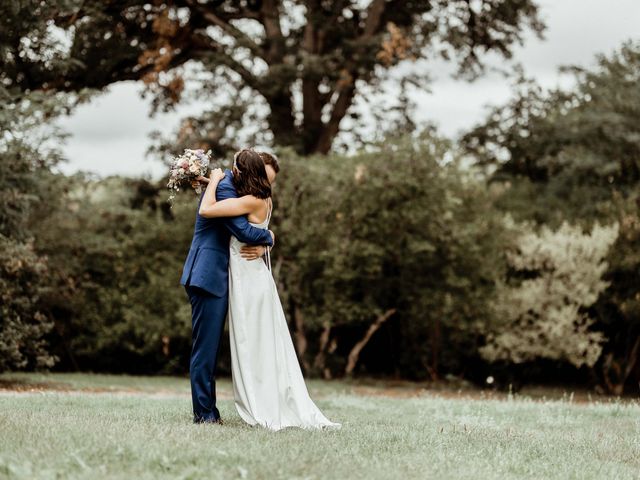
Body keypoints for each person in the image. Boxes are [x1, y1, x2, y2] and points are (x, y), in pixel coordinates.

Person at [198, 148, 341, 431]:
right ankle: (266, 399)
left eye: (234, 170)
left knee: (253, 343)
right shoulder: (260, 198)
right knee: (261, 343)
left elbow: (208, 210)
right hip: (251, 276)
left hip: (249, 279)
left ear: (241, 173)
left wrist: (213, 179)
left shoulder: (251, 200)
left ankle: (263, 405)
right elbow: (235, 204)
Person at [180, 150, 274, 424]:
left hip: (217, 275)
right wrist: (269, 235)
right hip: (208, 274)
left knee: (208, 349)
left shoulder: (229, 186)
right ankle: (205, 414)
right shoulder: (223, 187)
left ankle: (208, 411)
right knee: (205, 350)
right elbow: (242, 231)